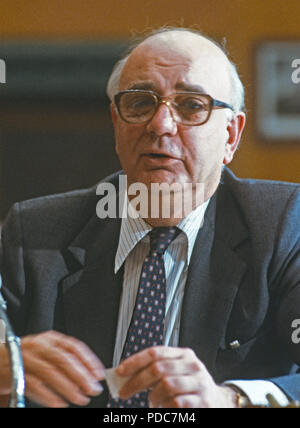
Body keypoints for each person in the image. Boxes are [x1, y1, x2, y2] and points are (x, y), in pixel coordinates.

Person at [0, 27, 300, 408]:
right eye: (140, 103)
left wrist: (230, 399)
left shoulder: (282, 225)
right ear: (116, 123)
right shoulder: (36, 232)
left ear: (230, 136)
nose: (160, 125)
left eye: (192, 105)